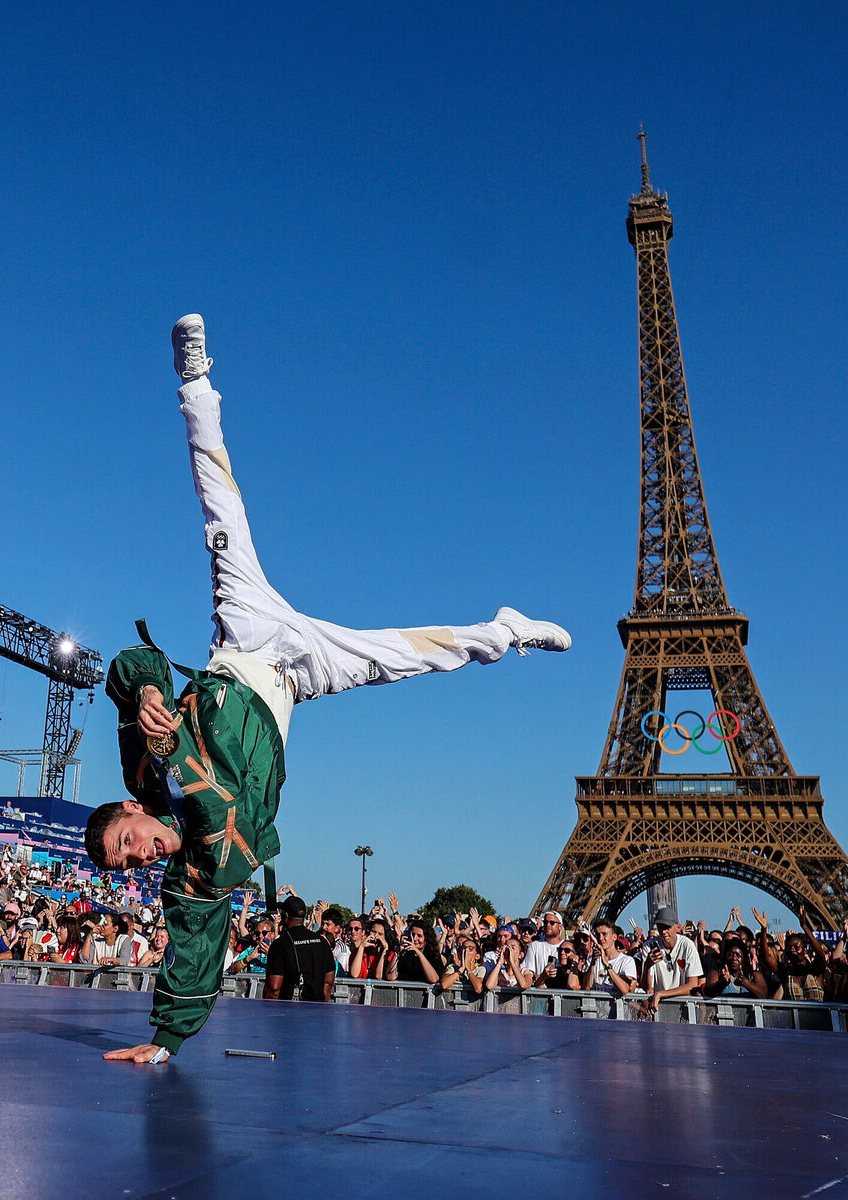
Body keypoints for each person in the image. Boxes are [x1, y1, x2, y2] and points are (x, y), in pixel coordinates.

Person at [86, 315, 571, 1063]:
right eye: (127, 868)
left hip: (244, 645)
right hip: (293, 683)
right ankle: (504, 632)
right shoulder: (197, 880)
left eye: (126, 844)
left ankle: (194, 383)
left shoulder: (141, 772)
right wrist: (165, 1041)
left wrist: (145, 688)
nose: (137, 858)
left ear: (127, 813)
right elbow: (195, 947)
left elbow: (126, 671)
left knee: (223, 514)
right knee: (400, 657)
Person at [263, 896, 335, 1002]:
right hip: (317, 1012)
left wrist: (269, 1013)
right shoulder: (322, 942)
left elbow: (273, 989)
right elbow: (328, 980)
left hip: (288, 1012)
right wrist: (322, 1006)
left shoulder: (280, 944)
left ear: (285, 916)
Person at [639, 907, 704, 1016]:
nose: (663, 931)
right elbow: (648, 988)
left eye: (667, 927)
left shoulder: (688, 945)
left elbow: (692, 985)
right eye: (660, 927)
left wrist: (661, 994)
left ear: (678, 927)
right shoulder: (649, 946)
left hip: (682, 1009)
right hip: (658, 1008)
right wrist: (647, 966)